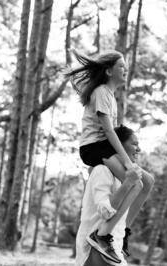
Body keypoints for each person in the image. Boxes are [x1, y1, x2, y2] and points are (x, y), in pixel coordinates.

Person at [64, 49, 155, 263]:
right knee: (135, 184)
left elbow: (114, 132)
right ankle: (102, 234)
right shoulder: (101, 92)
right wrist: (126, 162)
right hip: (94, 147)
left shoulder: (110, 96)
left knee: (147, 182)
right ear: (107, 71)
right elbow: (108, 132)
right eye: (121, 66)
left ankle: (122, 235)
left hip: (103, 146)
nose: (125, 69)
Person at [75, 126, 144, 266]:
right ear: (117, 145)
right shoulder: (102, 170)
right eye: (135, 144)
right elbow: (104, 211)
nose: (139, 149)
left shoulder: (121, 176)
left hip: (112, 248)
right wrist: (129, 182)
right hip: (96, 250)